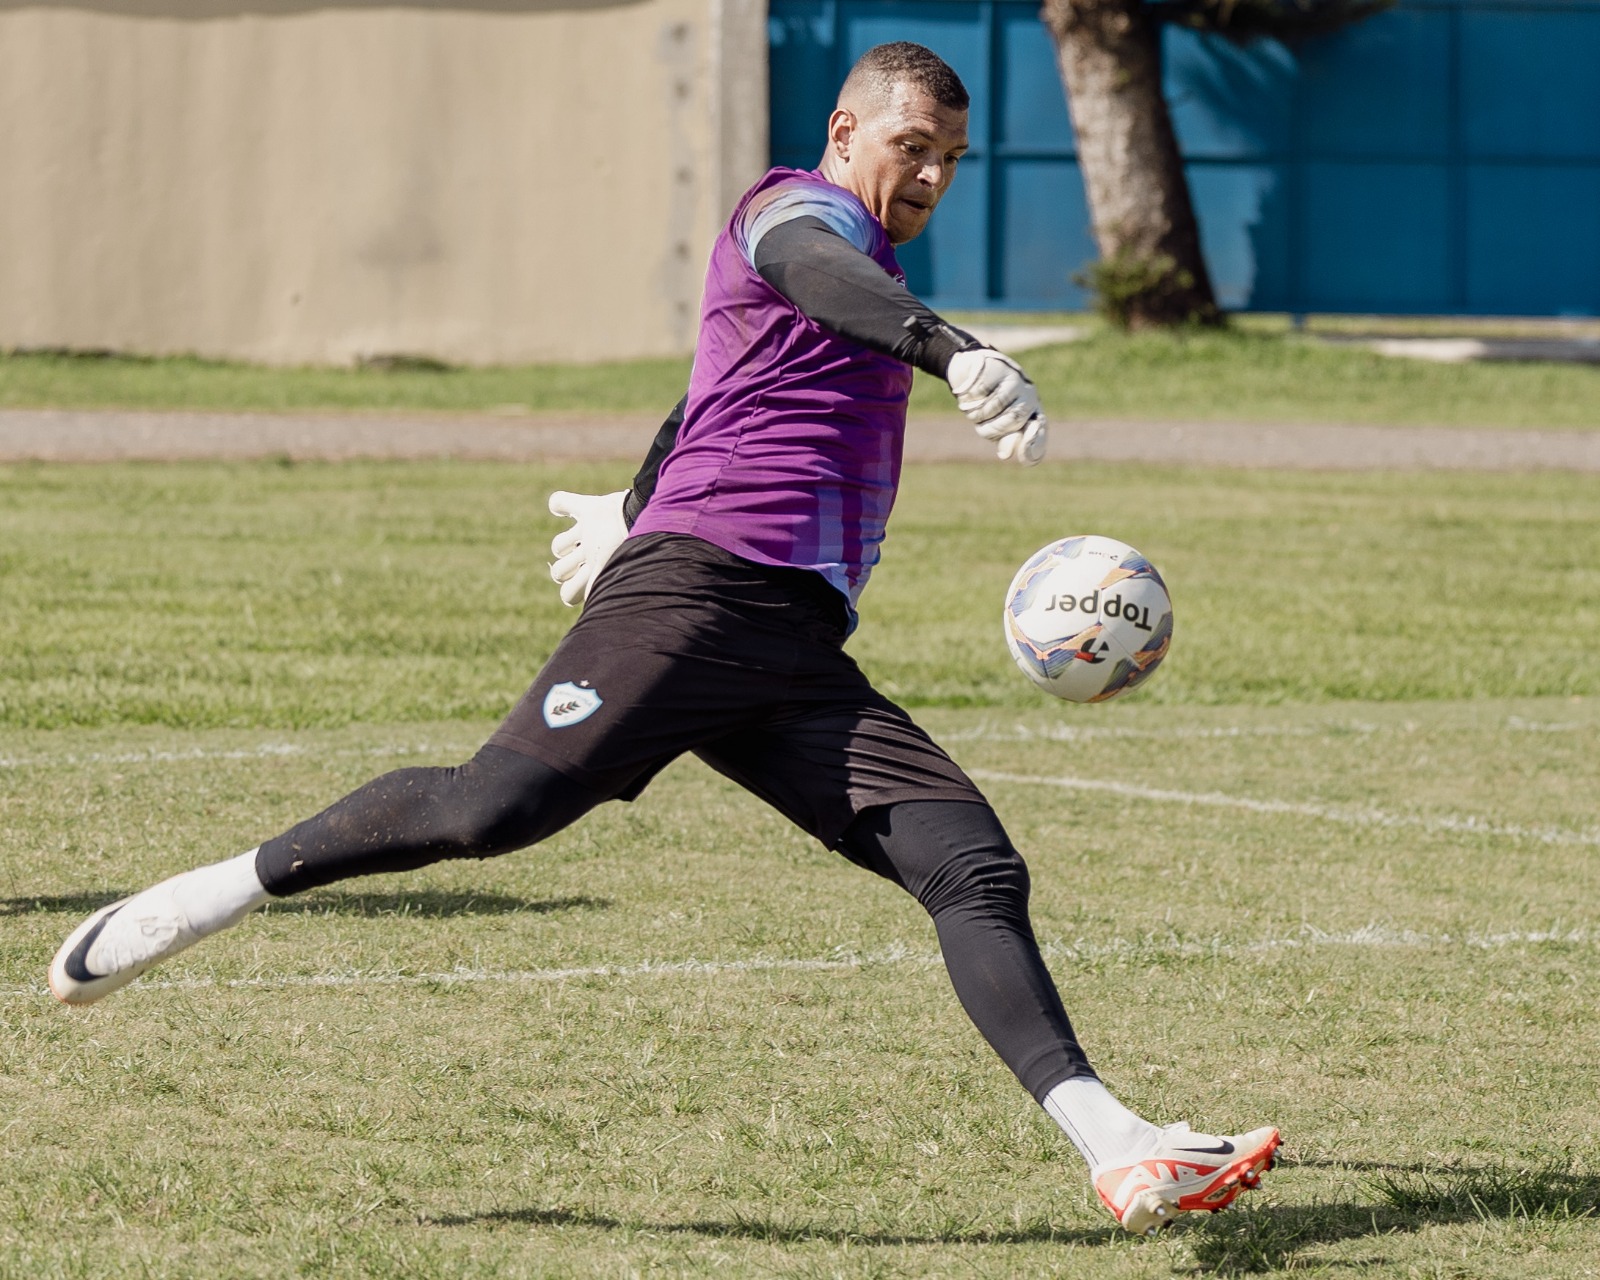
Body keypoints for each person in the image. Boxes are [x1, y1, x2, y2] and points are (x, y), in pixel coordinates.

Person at [48, 42, 1277, 1235]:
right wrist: (954, 351)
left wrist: (629, 501)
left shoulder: (850, 265)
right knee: (490, 814)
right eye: (914, 147)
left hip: (790, 644)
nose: (933, 178)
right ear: (845, 134)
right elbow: (818, 275)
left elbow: (708, 386)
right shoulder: (796, 215)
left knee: (971, 865)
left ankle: (1120, 1149)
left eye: (951, 158)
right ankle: (211, 893)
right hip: (693, 602)